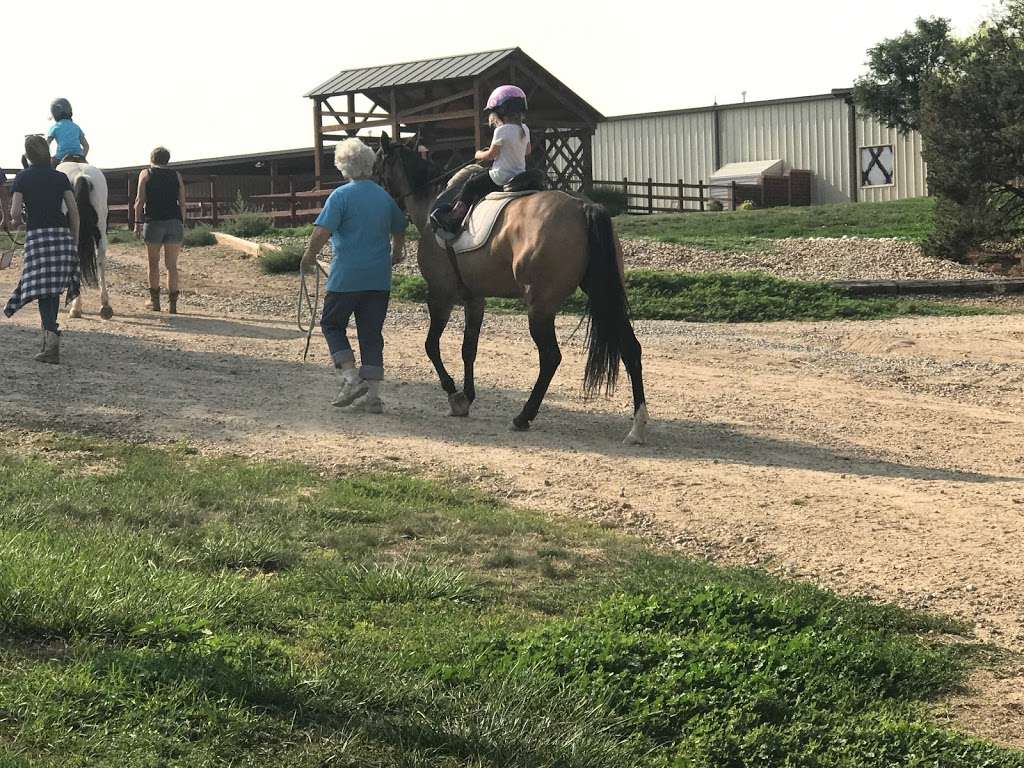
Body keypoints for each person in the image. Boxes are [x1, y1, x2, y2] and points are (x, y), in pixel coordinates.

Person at [301, 138, 406, 413]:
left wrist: (309, 256)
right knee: (371, 333)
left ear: (343, 166)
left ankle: (350, 378)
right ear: (370, 164)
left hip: (347, 276)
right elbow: (400, 225)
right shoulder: (384, 196)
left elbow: (322, 231)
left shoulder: (341, 196)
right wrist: (397, 251)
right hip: (378, 278)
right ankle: (372, 397)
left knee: (331, 324)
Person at [3, 135, 80, 364]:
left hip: (38, 238)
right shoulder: (61, 177)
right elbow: (74, 212)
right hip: (62, 237)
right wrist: (74, 240)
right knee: (52, 289)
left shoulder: (22, 177)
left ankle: (51, 339)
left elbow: (15, 213)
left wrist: (19, 222)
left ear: (27, 155)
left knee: (40, 288)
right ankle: (51, 335)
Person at [432, 85, 531, 233]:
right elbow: (528, 151)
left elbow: (491, 155)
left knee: (471, 184)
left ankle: (454, 218)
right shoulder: (524, 129)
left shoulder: (501, 130)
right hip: (519, 176)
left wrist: (478, 154)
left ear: (501, 111)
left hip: (500, 177)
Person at [133, 147, 186, 313]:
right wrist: (181, 222)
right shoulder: (176, 175)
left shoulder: (146, 174)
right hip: (174, 221)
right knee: (172, 265)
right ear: (167, 160)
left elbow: (139, 201)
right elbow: (183, 202)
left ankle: (155, 302)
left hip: (154, 221)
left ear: (152, 158)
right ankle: (173, 305)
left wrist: (137, 223)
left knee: (153, 263)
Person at [46, 98, 89, 165]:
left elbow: (46, 145)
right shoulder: (76, 127)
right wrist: (82, 157)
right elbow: (86, 146)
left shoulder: (55, 127)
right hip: (79, 157)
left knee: (49, 171)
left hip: (61, 157)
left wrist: (49, 158)